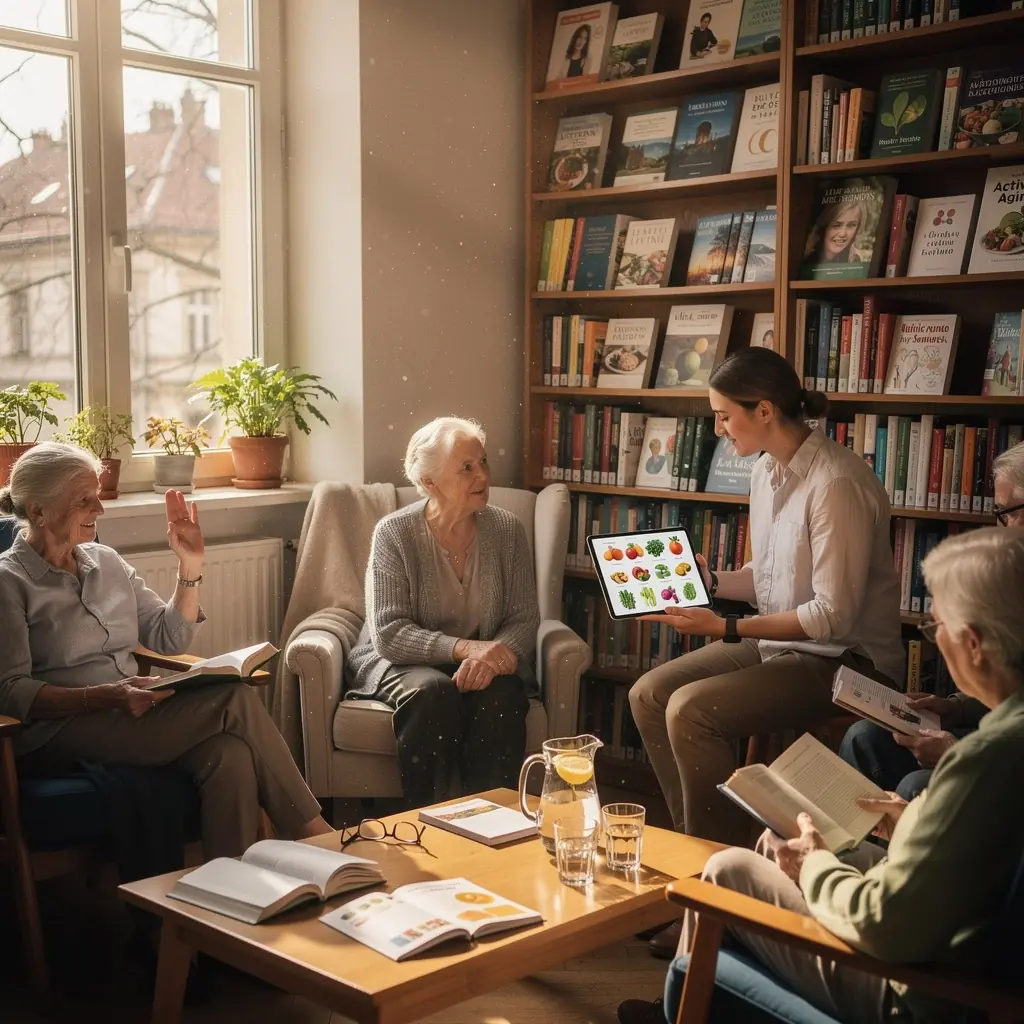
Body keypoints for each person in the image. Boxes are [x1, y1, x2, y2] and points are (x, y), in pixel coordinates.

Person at [619, 527, 1024, 1024]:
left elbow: (883, 924)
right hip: (943, 944)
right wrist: (911, 818)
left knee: (728, 870)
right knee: (774, 841)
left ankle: (684, 1009)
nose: (933, 638)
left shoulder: (981, 760)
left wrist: (814, 864)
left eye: (934, 625)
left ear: (974, 644)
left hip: (916, 993)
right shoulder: (1005, 742)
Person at [630, 348, 903, 954]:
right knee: (649, 694)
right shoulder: (765, 471)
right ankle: (702, 869)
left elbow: (831, 616)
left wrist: (724, 628)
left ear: (763, 410)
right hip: (785, 644)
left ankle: (728, 897)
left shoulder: (837, 483)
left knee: (690, 710)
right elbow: (768, 577)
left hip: (848, 662)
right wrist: (707, 581)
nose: (718, 430)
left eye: (724, 416)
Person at [0, 443, 332, 860]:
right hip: (57, 733)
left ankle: (231, 887)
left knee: (229, 756)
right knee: (234, 698)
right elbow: (11, 692)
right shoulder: (9, 582)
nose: (99, 510)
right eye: (84, 500)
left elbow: (167, 637)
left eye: (97, 496)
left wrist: (190, 566)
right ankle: (315, 834)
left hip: (128, 714)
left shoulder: (107, 562)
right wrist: (106, 697)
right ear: (38, 511)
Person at [346, 417, 539, 807]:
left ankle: (493, 819)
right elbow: (389, 632)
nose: (482, 475)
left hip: (482, 662)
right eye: (466, 467)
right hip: (401, 662)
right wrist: (467, 649)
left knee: (502, 697)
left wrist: (492, 658)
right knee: (432, 693)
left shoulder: (508, 530)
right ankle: (431, 822)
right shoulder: (394, 533)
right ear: (429, 482)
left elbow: (523, 617)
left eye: (483, 462)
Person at [839, 439, 1024, 799]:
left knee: (916, 786)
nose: (1000, 526)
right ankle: (847, 836)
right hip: (999, 731)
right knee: (865, 738)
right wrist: (955, 708)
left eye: (1006, 512)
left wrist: (956, 753)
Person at [803, 200, 869, 267]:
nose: (842, 234)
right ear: (823, 227)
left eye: (851, 225)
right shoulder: (805, 259)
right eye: (836, 225)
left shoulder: (856, 262)